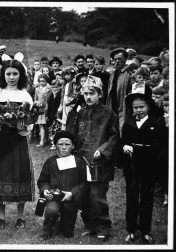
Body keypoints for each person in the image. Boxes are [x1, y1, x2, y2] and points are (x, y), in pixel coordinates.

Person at [0, 59, 36, 229]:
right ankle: (1, 216)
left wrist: (24, 125)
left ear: (20, 75)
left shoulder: (24, 95)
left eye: (15, 74)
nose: (11, 77)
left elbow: (31, 119)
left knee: (20, 172)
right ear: (3, 75)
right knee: (1, 173)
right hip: (1, 138)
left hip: (18, 139)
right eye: (8, 74)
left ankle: (20, 216)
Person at [69, 75, 119, 241]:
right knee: (83, 197)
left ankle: (103, 226)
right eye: (85, 94)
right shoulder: (81, 113)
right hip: (82, 161)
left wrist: (103, 150)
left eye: (92, 93)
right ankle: (89, 225)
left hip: (99, 163)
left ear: (100, 94)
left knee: (97, 197)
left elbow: (114, 136)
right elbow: (74, 135)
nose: (88, 97)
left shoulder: (108, 114)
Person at [121, 93, 158, 244]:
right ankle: (131, 229)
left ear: (148, 107)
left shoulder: (155, 123)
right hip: (132, 165)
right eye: (135, 108)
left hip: (149, 165)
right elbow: (123, 141)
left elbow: (159, 146)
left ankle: (145, 230)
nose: (138, 110)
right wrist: (125, 146)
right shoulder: (128, 123)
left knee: (147, 198)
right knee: (132, 197)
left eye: (141, 107)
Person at [37, 131, 87, 239]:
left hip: (70, 199)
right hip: (54, 198)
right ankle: (47, 230)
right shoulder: (50, 162)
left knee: (67, 234)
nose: (64, 147)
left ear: (73, 146)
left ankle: (61, 224)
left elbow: (84, 183)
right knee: (52, 210)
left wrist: (72, 193)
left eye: (67, 144)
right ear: (55, 145)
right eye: (60, 144)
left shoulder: (78, 162)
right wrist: (45, 190)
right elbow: (42, 181)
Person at [106, 47, 131, 138]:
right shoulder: (113, 73)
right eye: (115, 59)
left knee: (122, 129)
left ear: (125, 59)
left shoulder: (128, 73)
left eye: (119, 59)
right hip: (113, 106)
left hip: (124, 107)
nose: (117, 61)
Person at [155, 94, 169, 206]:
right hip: (163, 149)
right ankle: (166, 196)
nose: (167, 108)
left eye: (169, 105)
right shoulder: (160, 120)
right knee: (164, 172)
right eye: (165, 106)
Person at [34, 73, 51, 147]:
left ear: (46, 81)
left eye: (44, 81)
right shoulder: (37, 89)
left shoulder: (50, 88)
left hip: (47, 108)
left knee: (47, 124)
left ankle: (47, 139)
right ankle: (42, 141)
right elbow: (35, 99)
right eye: (40, 81)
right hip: (40, 109)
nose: (42, 82)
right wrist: (36, 105)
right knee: (41, 125)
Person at [46, 80, 62, 149]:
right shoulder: (50, 94)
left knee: (56, 129)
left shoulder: (61, 95)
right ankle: (52, 142)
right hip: (50, 114)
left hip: (57, 115)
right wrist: (47, 115)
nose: (54, 88)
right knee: (51, 129)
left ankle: (56, 143)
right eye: (53, 87)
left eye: (56, 87)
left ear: (59, 87)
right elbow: (48, 106)